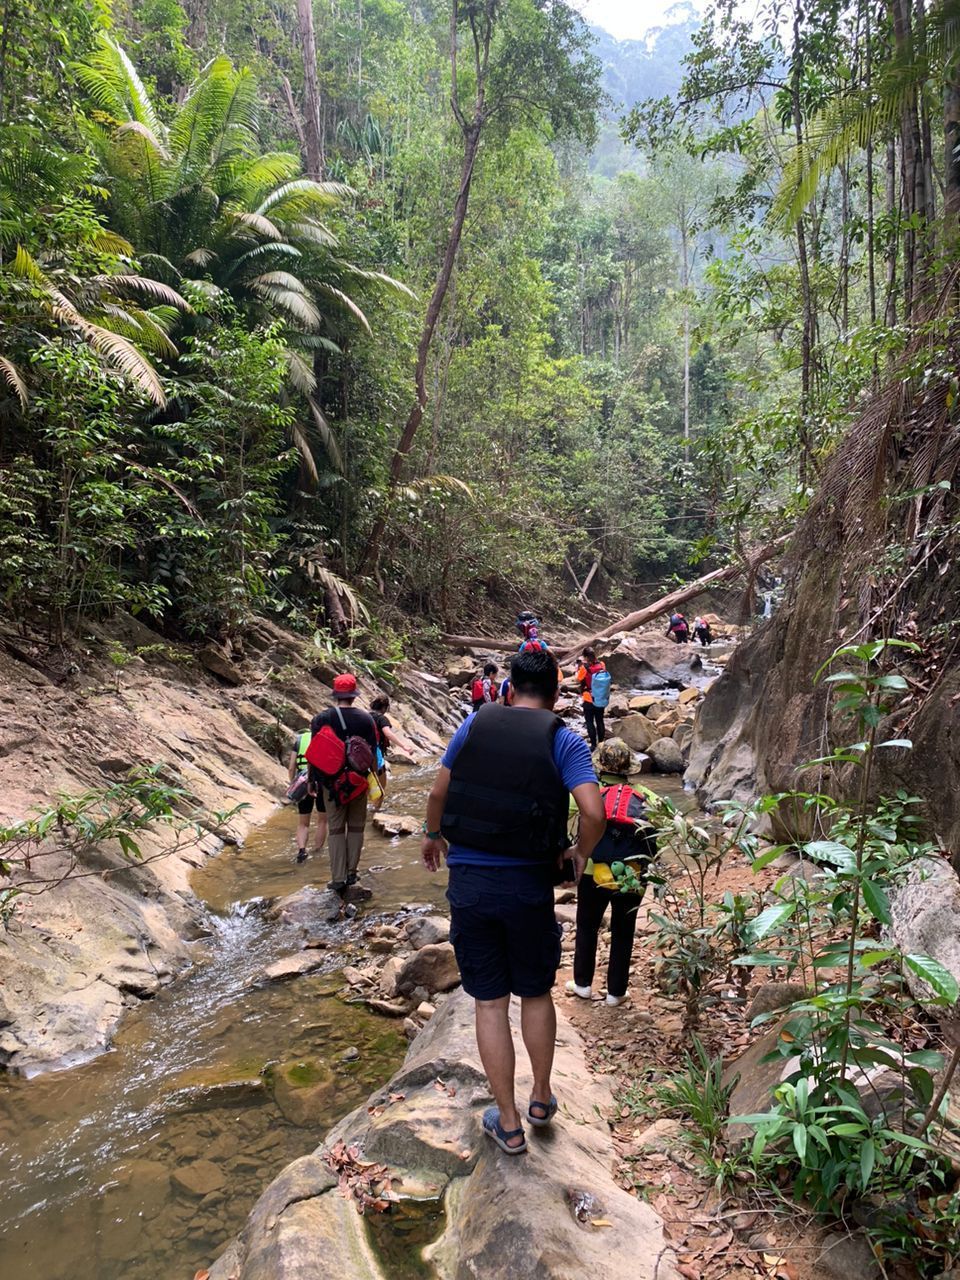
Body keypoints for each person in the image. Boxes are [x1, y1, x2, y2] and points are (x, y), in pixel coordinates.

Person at [421, 648, 605, 1155]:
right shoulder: (563, 739)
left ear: (508, 688)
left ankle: (508, 1123)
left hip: (472, 885)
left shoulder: (475, 724)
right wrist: (578, 856)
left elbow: (439, 792)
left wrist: (433, 836)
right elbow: (593, 812)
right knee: (536, 993)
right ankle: (541, 1100)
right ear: (558, 694)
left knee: (490, 1002)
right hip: (527, 887)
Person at [566, 737, 657, 1007]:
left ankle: (582, 984)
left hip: (594, 871)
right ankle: (616, 992)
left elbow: (562, 815)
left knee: (587, 926)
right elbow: (669, 823)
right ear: (629, 768)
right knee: (623, 929)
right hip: (633, 872)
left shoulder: (587, 793)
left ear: (599, 767)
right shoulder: (646, 795)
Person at [310, 674, 380, 894]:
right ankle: (352, 872)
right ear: (354, 694)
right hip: (358, 781)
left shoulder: (322, 719)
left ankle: (338, 877)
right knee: (357, 827)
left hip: (331, 784)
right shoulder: (366, 719)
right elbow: (372, 754)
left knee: (336, 829)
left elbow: (314, 754)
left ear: (336, 694)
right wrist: (375, 781)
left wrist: (312, 781)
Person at [288, 726, 327, 864]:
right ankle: (317, 851)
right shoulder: (324, 738)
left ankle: (302, 851)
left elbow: (292, 766)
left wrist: (292, 783)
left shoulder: (299, 739)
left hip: (303, 782)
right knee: (322, 820)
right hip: (321, 781)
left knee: (303, 823)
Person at [369, 694, 416, 800]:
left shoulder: (365, 716)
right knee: (381, 785)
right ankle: (376, 809)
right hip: (375, 753)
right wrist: (404, 746)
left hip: (361, 753)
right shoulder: (382, 719)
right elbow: (388, 733)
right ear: (385, 708)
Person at [576, 647, 607, 751]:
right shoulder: (601, 664)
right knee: (600, 721)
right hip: (600, 697)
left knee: (589, 722)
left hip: (589, 698)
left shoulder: (584, 668)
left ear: (585, 656)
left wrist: (579, 668)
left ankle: (593, 745)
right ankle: (601, 743)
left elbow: (579, 679)